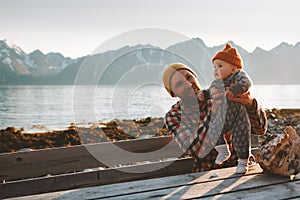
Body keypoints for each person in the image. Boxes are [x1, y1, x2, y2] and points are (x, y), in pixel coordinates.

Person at [162, 62, 267, 173]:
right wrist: (214, 113)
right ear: (173, 93)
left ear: (195, 77)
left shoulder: (220, 91)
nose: (188, 84)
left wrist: (250, 103)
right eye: (179, 84)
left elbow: (260, 129)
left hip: (243, 169)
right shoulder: (174, 115)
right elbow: (195, 149)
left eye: (189, 77)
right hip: (208, 175)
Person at [198, 43, 253, 173]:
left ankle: (243, 162)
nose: (216, 70)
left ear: (234, 69)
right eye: (214, 67)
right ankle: (223, 151)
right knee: (214, 129)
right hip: (223, 116)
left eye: (220, 66)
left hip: (238, 115)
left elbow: (247, 83)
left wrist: (234, 90)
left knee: (241, 137)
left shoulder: (238, 76)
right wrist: (204, 94)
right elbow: (211, 91)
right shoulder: (216, 83)